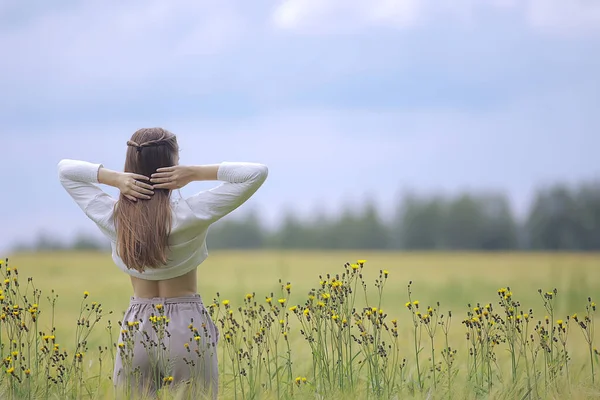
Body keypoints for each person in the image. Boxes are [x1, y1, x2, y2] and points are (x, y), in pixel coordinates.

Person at [57, 127, 268, 398]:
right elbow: (256, 172)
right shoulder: (191, 213)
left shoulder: (114, 218)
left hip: (136, 327)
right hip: (187, 325)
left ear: (130, 165)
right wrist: (194, 173)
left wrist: (115, 179)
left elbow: (65, 170)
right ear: (173, 165)